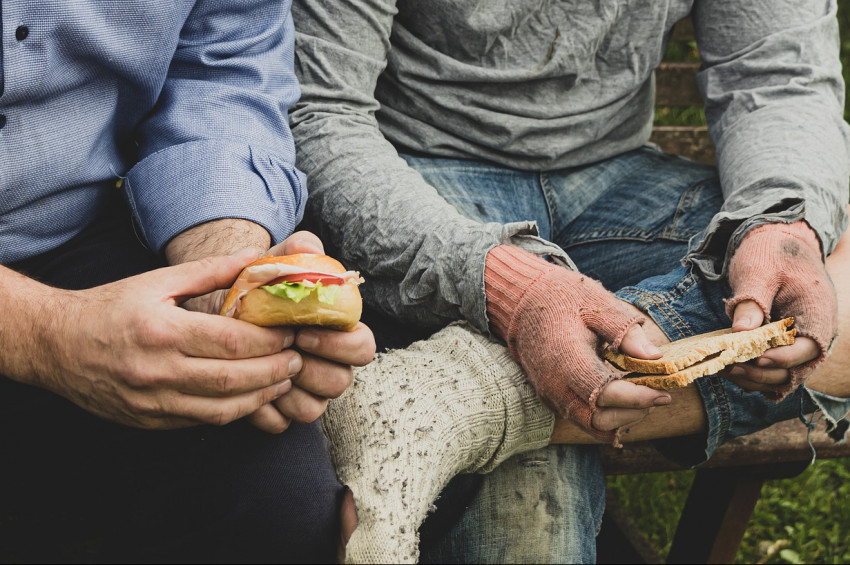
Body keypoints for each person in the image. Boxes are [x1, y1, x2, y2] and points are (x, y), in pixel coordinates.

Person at [289, 1, 850, 562]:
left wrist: (781, 227)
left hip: (620, 175)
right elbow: (319, 111)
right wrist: (512, 288)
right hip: (416, 172)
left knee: (823, 288)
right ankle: (490, 396)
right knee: (533, 505)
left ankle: (449, 397)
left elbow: (778, 73)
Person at [0, 1, 375, 563]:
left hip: (69, 230)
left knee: (278, 508)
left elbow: (221, 64)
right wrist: (44, 334)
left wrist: (227, 281)